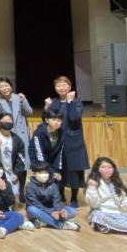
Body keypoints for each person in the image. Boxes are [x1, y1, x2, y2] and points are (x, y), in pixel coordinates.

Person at [44, 75, 89, 208]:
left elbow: (73, 118)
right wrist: (47, 107)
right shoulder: (54, 102)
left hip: (73, 141)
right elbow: (46, 119)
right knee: (59, 168)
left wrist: (70, 102)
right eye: (58, 85)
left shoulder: (77, 102)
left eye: (64, 85)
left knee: (74, 170)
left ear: (69, 87)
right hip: (58, 140)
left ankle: (74, 198)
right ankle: (61, 196)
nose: (62, 88)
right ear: (55, 88)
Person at [0, 76, 33, 202]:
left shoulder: (19, 98)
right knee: (9, 162)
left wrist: (24, 100)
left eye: (6, 85)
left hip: (21, 135)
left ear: (10, 86)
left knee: (22, 163)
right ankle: (9, 189)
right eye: (1, 87)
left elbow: (29, 112)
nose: (5, 88)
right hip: (7, 134)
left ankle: (21, 191)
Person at [86, 156, 127, 236]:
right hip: (103, 213)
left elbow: (126, 206)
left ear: (114, 169)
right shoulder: (93, 183)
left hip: (118, 215)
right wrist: (92, 189)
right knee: (96, 215)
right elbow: (94, 204)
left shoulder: (117, 184)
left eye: (109, 167)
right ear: (97, 169)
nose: (107, 170)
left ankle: (113, 227)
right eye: (103, 167)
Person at [25, 162, 80, 231]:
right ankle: (61, 224)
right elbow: (35, 204)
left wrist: (60, 210)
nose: (44, 175)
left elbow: (57, 200)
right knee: (31, 209)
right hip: (39, 209)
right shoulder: (30, 186)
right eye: (40, 173)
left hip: (52, 208)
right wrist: (50, 213)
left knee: (72, 211)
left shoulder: (53, 185)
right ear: (34, 174)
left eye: (45, 172)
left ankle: (44, 221)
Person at [0, 113, 26, 201]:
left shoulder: (17, 139)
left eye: (9, 121)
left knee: (14, 193)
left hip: (11, 172)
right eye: (4, 121)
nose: (7, 123)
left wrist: (16, 173)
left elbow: (21, 158)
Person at [29, 109, 64, 183]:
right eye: (53, 119)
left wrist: (56, 171)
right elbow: (39, 154)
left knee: (56, 181)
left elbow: (59, 154)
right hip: (38, 162)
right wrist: (50, 172)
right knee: (43, 179)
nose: (56, 122)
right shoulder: (39, 133)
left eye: (59, 120)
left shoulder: (62, 132)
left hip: (51, 162)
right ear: (47, 120)